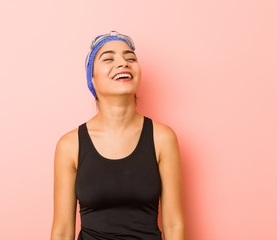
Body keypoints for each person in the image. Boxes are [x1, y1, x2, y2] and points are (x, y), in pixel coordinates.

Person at [50, 31, 184, 240]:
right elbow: (62, 230)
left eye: (130, 58)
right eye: (109, 58)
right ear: (91, 79)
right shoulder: (69, 145)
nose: (123, 63)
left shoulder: (162, 138)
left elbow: (174, 224)